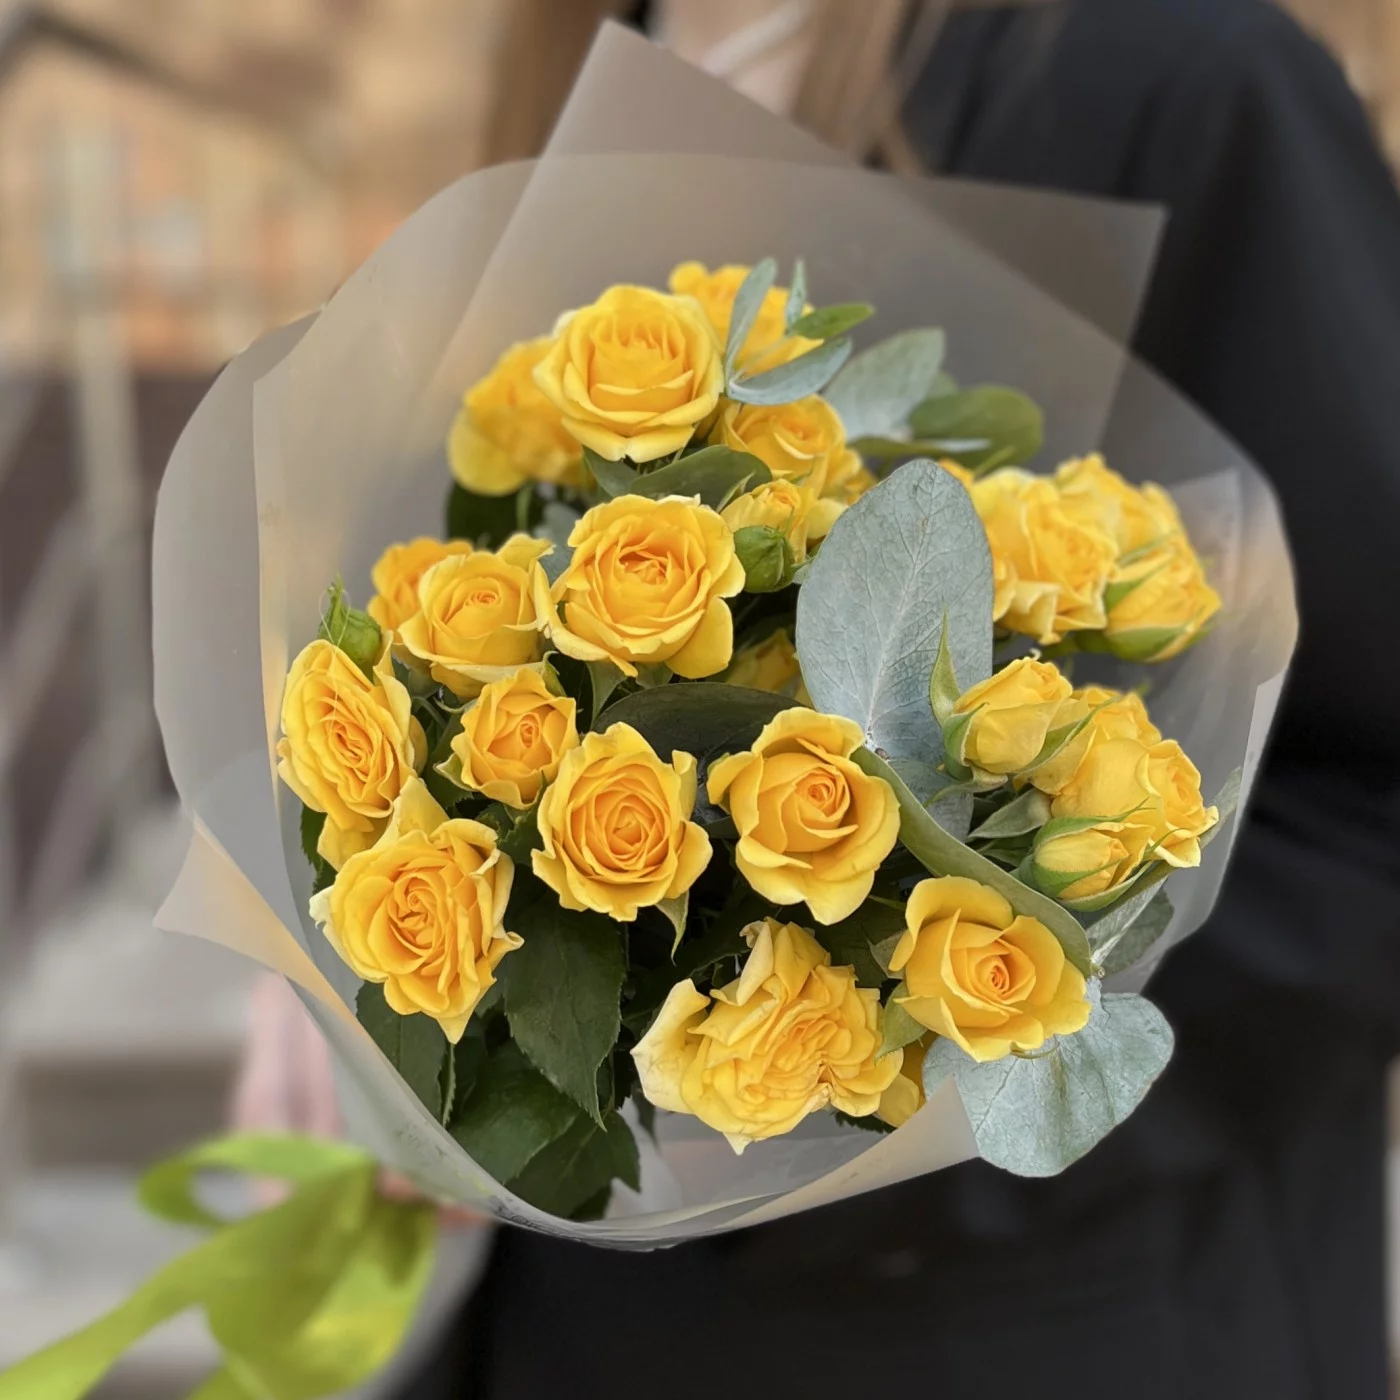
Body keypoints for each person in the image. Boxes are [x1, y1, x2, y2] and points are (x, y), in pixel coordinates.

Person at [239, 2, 1400, 1394]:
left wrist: (885, 1068)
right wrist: (371, 961)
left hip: (1034, 1319)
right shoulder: (551, 90)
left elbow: (1365, 825)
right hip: (602, 1326)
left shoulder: (1172, 80)